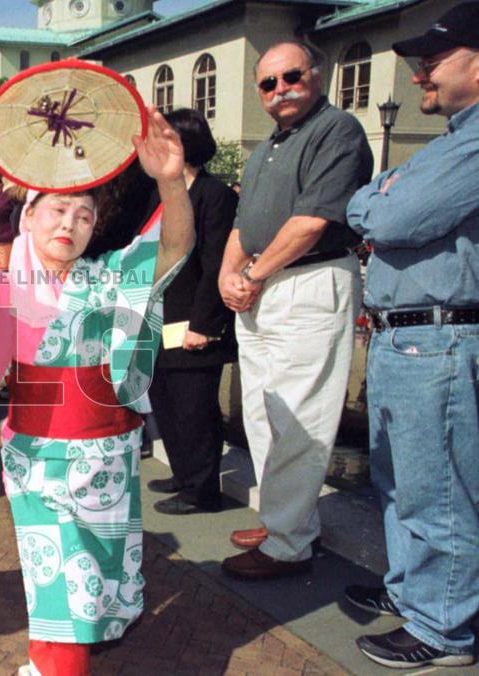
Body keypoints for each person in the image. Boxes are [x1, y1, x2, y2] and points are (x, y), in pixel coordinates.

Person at [0, 106, 194, 676]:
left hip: (111, 454)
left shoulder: (109, 277)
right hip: (39, 456)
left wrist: (170, 180)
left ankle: (44, 659)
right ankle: (57, 665)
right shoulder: (8, 286)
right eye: (57, 209)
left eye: (84, 214)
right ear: (27, 217)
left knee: (99, 574)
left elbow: (174, 248)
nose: (70, 224)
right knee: (62, 577)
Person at [341, 4, 479, 668]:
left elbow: (390, 218)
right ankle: (414, 595)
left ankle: (443, 630)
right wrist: (380, 202)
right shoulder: (451, 141)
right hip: (407, 340)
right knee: (398, 483)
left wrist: (381, 202)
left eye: (436, 60)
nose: (420, 73)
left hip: (441, 340)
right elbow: (366, 203)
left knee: (439, 490)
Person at [218, 41, 373, 579]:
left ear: (317, 74)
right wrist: (226, 275)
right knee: (263, 413)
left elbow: (313, 223)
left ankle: (288, 545)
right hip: (265, 285)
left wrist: (251, 276)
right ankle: (284, 520)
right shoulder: (267, 149)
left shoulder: (338, 131)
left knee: (300, 415)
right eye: (268, 83)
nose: (280, 89)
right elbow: (243, 224)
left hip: (308, 280)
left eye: (291, 76)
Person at [145, 108, 238, 515]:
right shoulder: (159, 194)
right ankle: (184, 475)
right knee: (167, 403)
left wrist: (203, 325)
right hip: (159, 319)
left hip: (195, 322)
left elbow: (216, 263)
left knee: (195, 409)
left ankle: (202, 491)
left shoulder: (214, 194)